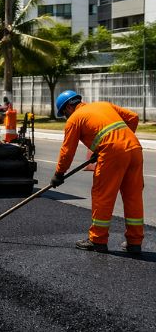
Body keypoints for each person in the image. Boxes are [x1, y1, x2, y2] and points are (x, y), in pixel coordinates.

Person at [49, 90, 144, 254]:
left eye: (64, 113)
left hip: (112, 153)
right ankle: (134, 243)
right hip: (134, 149)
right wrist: (121, 142)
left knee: (103, 195)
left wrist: (59, 174)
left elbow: (67, 151)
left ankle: (98, 240)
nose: (66, 116)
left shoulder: (74, 119)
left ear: (68, 108)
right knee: (133, 196)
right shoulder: (103, 104)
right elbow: (133, 118)